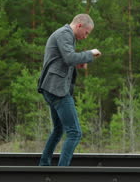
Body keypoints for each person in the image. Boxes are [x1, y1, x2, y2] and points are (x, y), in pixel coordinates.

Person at [37, 14, 101, 166]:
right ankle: (61, 174)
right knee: (75, 133)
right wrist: (90, 54)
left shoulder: (64, 35)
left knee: (59, 130)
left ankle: (43, 166)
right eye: (86, 32)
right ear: (79, 25)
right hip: (57, 89)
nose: (85, 37)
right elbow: (70, 58)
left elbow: (62, 60)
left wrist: (78, 63)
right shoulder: (64, 34)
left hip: (52, 87)